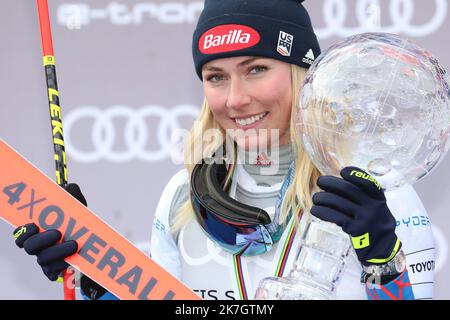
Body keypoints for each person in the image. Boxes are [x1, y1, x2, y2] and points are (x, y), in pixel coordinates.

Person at [13, 0, 434, 300]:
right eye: (216, 76)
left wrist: (382, 258)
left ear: (306, 75)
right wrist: (93, 277)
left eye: (256, 69)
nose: (235, 99)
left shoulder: (373, 195)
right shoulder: (183, 196)